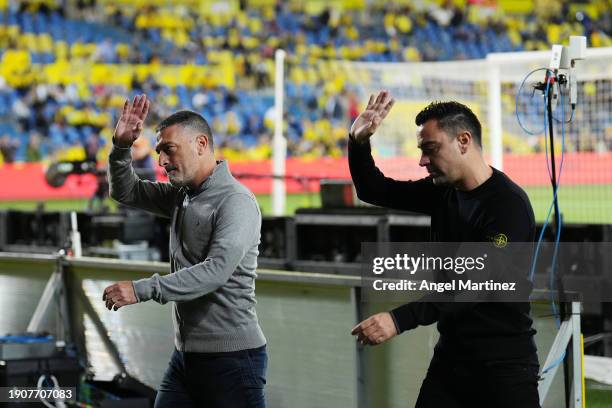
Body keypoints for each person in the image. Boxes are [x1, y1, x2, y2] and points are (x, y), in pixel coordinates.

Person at [349, 91, 540, 408]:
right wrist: (358, 141)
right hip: (451, 360)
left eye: (430, 149)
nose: (422, 160)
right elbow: (373, 189)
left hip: (504, 368)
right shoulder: (442, 191)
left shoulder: (508, 206)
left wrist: (399, 319)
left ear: (463, 141)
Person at [102, 95, 267, 408]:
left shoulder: (237, 202)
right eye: (159, 151)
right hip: (185, 359)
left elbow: (215, 271)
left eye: (169, 149)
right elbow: (126, 190)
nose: (161, 161)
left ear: (201, 144)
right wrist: (122, 147)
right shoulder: (182, 195)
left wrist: (142, 289)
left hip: (233, 361)